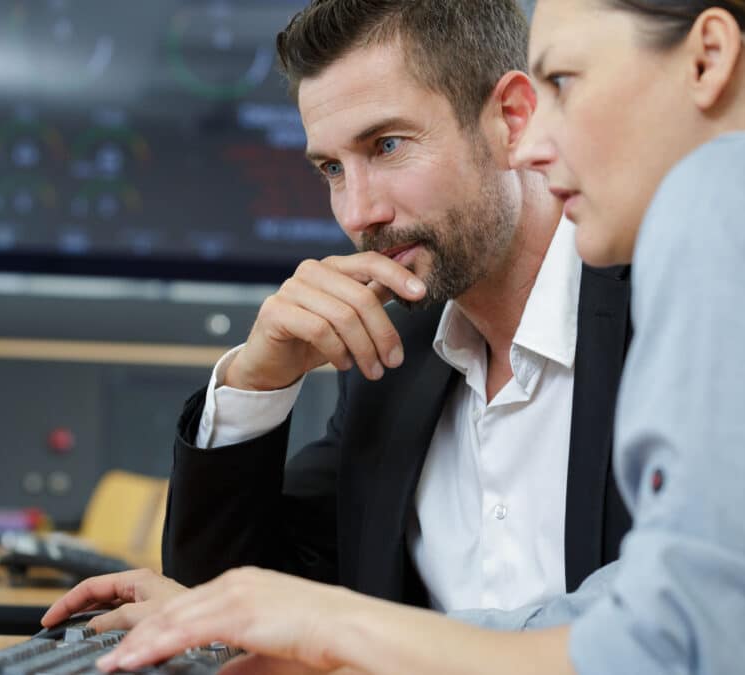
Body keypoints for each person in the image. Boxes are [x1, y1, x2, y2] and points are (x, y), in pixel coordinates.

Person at [81, 0, 745, 673]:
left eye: (565, 81)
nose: (539, 143)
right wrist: (312, 623)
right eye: (331, 168)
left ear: (708, 58)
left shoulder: (741, 190)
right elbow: (639, 606)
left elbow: (701, 642)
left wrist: (340, 633)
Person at [46, 0, 634, 629]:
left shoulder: (665, 314)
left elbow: (679, 625)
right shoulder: (395, 354)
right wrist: (255, 383)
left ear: (513, 119)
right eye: (331, 168)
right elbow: (226, 608)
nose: (357, 214)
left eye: (387, 145)